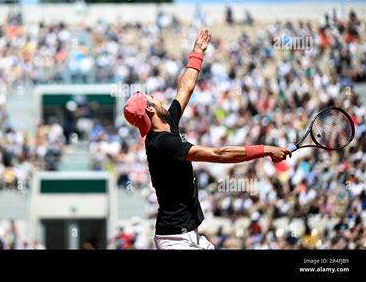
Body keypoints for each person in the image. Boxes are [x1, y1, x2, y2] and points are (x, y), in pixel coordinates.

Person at [123, 30, 292, 250]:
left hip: (187, 235)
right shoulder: (163, 144)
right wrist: (266, 149)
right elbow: (218, 154)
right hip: (175, 240)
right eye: (153, 98)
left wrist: (197, 53)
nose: (158, 98)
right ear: (150, 109)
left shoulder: (166, 125)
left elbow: (186, 87)